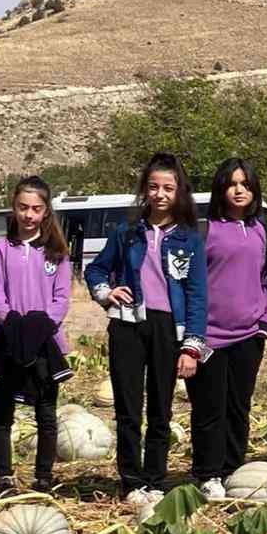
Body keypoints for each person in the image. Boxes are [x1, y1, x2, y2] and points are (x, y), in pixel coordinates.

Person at [86, 153, 209, 504]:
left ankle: (155, 480)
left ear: (179, 192)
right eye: (153, 187)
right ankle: (130, 481)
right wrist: (107, 293)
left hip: (167, 328)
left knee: (161, 407)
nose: (160, 194)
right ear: (144, 190)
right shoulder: (126, 233)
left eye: (168, 188)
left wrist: (191, 346)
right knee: (127, 407)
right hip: (127, 325)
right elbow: (95, 270)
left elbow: (197, 294)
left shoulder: (189, 239)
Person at [188, 158, 267, 500]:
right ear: (220, 189)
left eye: (246, 184)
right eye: (232, 183)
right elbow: (188, 284)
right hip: (207, 336)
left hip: (248, 336)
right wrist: (190, 335)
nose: (239, 190)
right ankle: (207, 473)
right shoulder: (204, 231)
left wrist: (266, 325)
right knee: (209, 408)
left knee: (239, 406)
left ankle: (233, 469)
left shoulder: (260, 231)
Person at [0, 176, 74, 496]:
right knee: (3, 412)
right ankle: (5, 477)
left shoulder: (57, 252)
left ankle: (43, 478)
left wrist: (40, 329)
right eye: (23, 207)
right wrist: (13, 326)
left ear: (46, 211)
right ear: (14, 208)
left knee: (46, 413)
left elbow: (61, 299)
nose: (29, 215)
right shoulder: (0, 250)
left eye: (36, 208)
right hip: (8, 339)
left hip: (46, 343)